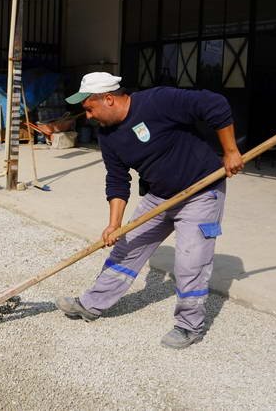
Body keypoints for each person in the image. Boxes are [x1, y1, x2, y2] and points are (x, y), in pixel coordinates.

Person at [56, 72, 244, 349]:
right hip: (159, 196)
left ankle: (189, 326)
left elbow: (214, 104)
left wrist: (230, 151)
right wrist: (114, 224)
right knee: (126, 249)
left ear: (108, 99)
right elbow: (117, 179)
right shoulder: (107, 136)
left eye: (89, 108)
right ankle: (91, 304)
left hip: (202, 192)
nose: (88, 116)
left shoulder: (158, 101)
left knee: (190, 261)